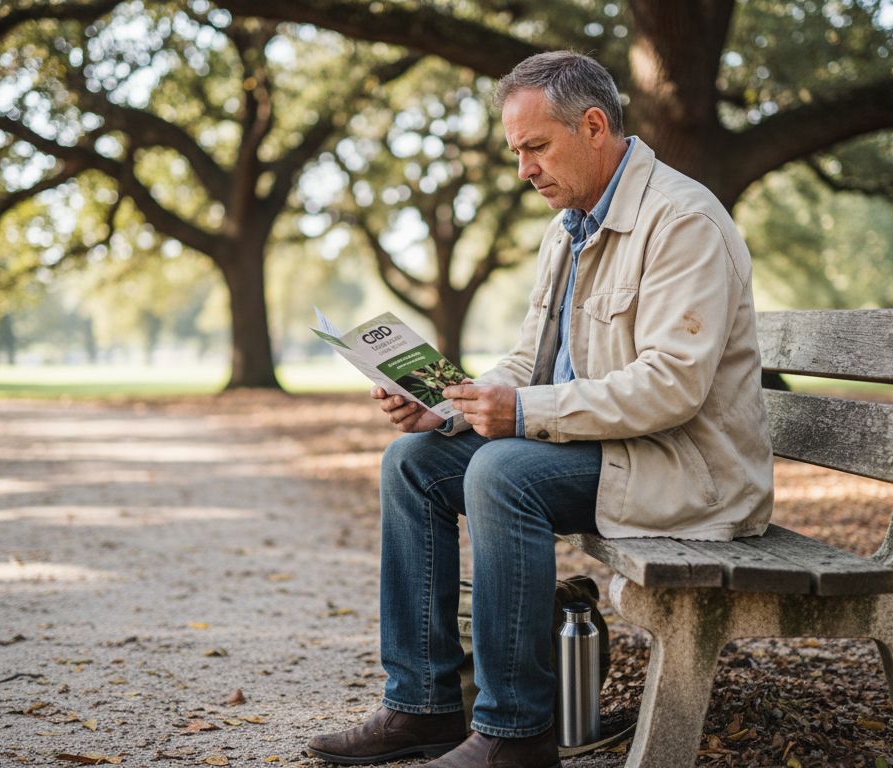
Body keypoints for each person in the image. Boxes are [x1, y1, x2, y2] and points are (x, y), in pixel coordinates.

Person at [307, 51, 774, 768]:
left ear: (593, 126)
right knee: (413, 461)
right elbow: (529, 364)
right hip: (606, 453)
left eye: (534, 147)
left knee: (502, 473)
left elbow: (672, 386)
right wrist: (449, 407)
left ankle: (515, 733)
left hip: (686, 472)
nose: (523, 169)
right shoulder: (569, 228)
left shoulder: (681, 221)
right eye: (515, 151)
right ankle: (422, 707)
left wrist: (522, 413)